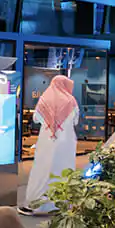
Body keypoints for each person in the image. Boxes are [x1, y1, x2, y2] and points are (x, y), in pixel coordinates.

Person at [20, 75, 77, 216]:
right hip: (66, 142)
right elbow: (75, 121)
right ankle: (61, 204)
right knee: (63, 171)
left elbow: (36, 118)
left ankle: (34, 204)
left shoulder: (45, 98)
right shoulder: (71, 101)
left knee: (42, 170)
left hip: (47, 141)